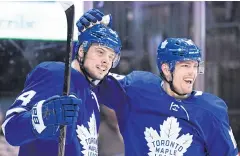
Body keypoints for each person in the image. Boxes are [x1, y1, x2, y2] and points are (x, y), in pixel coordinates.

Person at [79, 9, 239, 155]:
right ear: (166, 69)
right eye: (185, 65)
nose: (192, 72)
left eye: (195, 66)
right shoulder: (136, 90)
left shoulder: (210, 110)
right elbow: (90, 77)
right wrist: (93, 40)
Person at [1, 9, 122, 156]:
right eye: (100, 52)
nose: (106, 61)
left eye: (111, 57)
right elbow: (11, 129)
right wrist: (42, 117)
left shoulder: (93, 95)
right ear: (82, 51)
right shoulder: (57, 74)